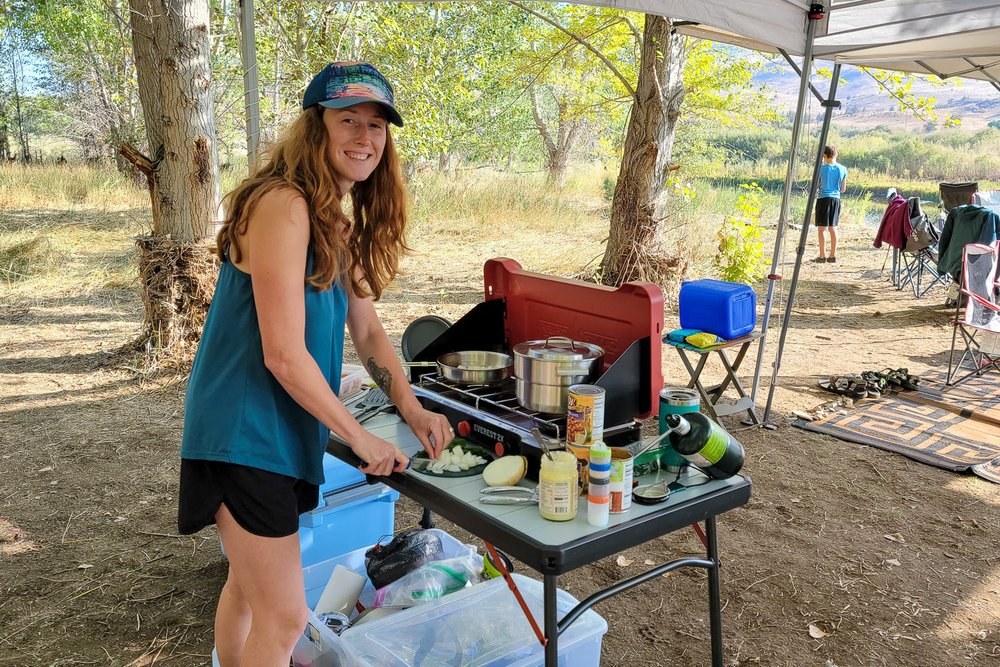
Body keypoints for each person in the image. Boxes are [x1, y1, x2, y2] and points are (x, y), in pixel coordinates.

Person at [177, 62, 453, 666]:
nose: (364, 137)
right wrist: (357, 437)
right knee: (284, 619)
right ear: (315, 127)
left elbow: (370, 331)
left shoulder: (333, 219)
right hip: (243, 432)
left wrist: (412, 405)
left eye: (376, 125)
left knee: (247, 593)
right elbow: (282, 352)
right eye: (347, 120)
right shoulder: (283, 204)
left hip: (275, 430)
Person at [813, 145, 848, 263]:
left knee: (822, 228)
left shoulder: (820, 169)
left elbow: (816, 186)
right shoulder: (843, 169)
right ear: (835, 155)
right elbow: (843, 189)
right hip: (836, 200)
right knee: (833, 228)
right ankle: (832, 256)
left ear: (824, 156)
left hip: (823, 199)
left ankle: (822, 256)